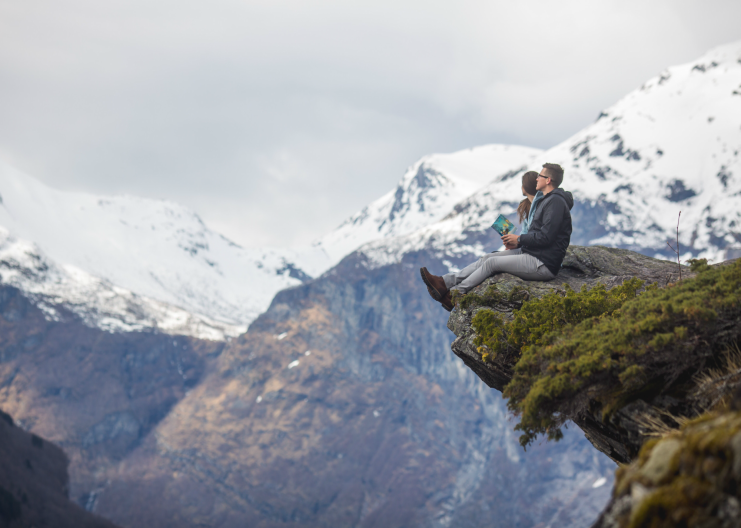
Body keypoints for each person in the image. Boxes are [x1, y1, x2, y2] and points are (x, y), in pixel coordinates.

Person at [420, 163, 573, 311]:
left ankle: (453, 296)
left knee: (492, 264)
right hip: (533, 254)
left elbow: (546, 237)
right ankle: (443, 283)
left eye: (540, 175)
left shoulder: (555, 202)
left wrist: (519, 239)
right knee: (487, 258)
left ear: (548, 180)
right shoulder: (547, 201)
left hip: (543, 263)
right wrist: (518, 244)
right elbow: (537, 235)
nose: (537, 178)